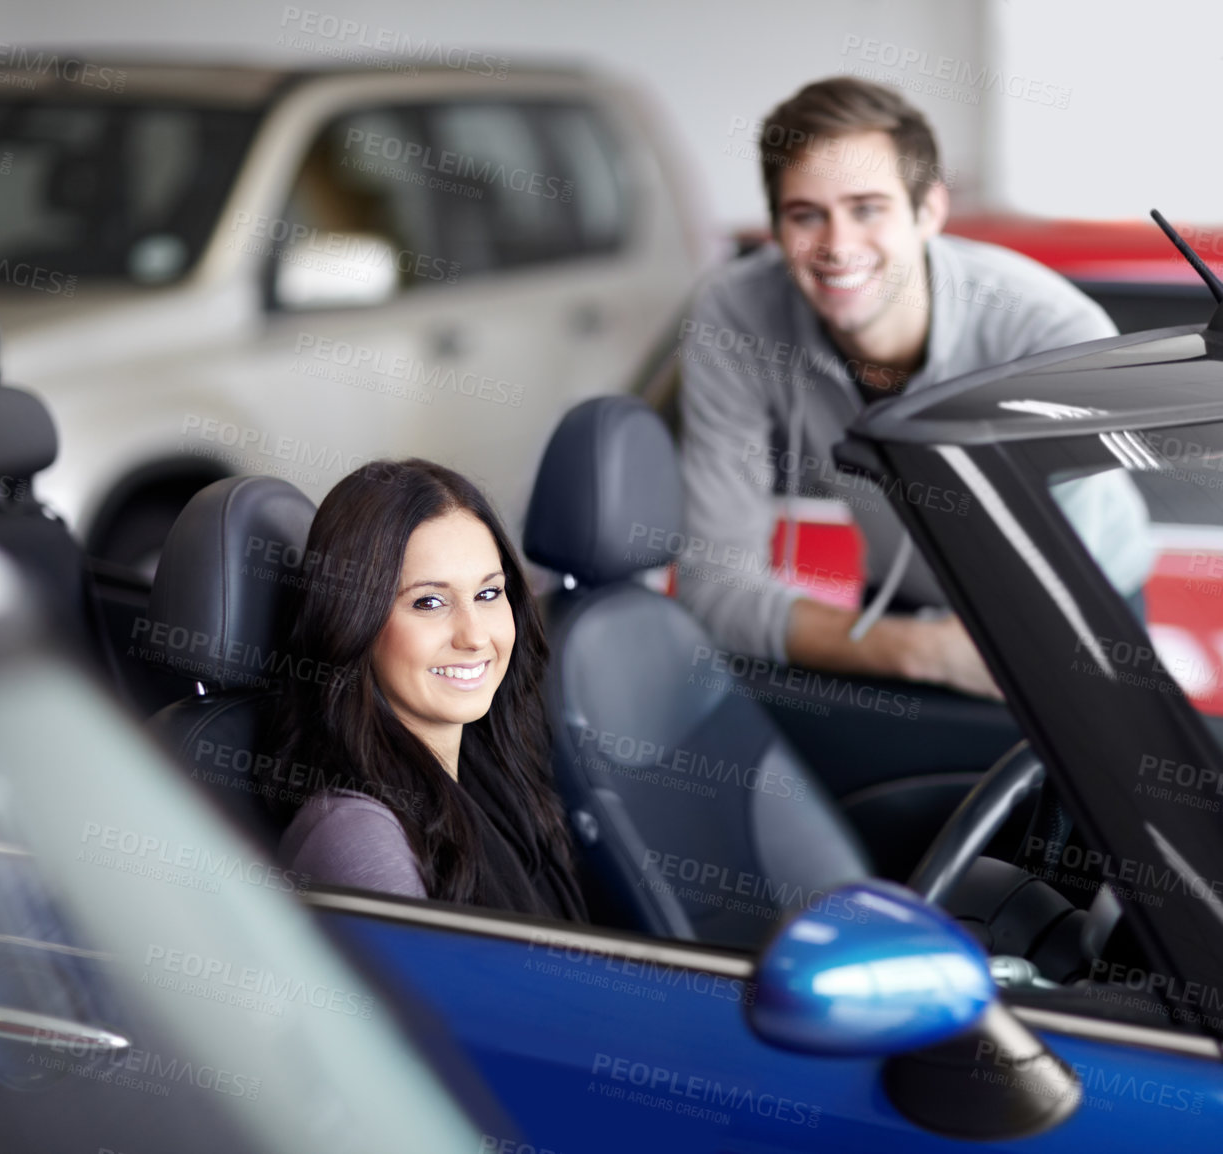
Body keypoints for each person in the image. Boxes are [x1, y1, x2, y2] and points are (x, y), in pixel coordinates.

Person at [678, 77, 1151, 699]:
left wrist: (928, 651)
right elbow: (713, 587)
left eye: (867, 207)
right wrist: (918, 651)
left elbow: (1050, 600)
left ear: (929, 210)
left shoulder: (1047, 329)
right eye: (805, 214)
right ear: (775, 225)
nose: (837, 245)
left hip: (1078, 610)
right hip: (899, 609)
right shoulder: (737, 316)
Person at [275, 458, 586, 921]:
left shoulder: (495, 770)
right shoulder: (358, 836)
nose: (475, 636)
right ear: (352, 624)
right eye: (429, 602)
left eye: (488, 594)